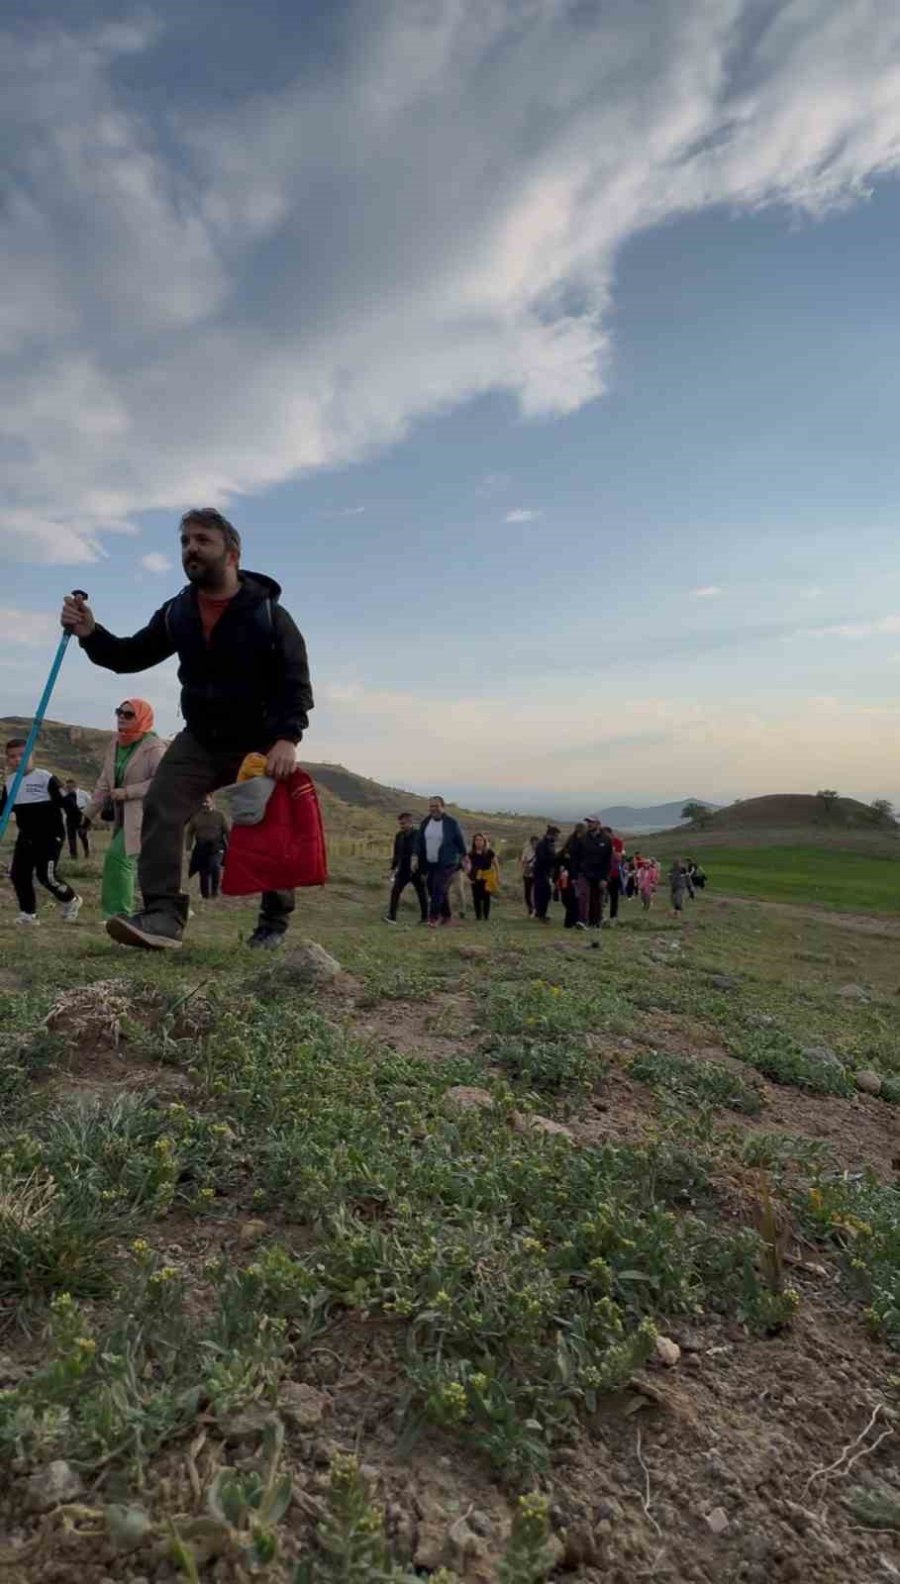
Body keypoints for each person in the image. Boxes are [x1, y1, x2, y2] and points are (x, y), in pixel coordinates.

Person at [61, 507, 313, 951]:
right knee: (162, 804)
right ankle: (162, 917)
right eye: (184, 542)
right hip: (200, 738)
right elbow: (129, 655)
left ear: (231, 554)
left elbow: (295, 681)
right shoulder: (178, 611)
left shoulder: (269, 614)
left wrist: (287, 738)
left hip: (257, 740)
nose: (190, 549)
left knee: (265, 824)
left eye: (202, 540)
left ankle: (273, 922)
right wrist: (90, 632)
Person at [81, 701, 166, 920]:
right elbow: (103, 782)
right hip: (122, 815)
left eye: (129, 714)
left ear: (142, 718)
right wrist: (87, 815)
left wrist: (128, 792)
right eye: (119, 712)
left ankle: (119, 914)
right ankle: (164, 907)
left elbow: (162, 781)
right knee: (142, 863)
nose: (122, 717)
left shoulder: (153, 746)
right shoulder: (115, 743)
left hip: (145, 813)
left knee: (119, 858)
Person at [1, 739, 83, 925]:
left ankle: (72, 900)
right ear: (7, 759)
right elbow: (4, 808)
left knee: (46, 876)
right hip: (26, 836)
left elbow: (67, 802)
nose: (17, 760)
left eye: (22, 755)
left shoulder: (45, 777)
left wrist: (78, 820)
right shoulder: (10, 782)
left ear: (32, 756)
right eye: (12, 756)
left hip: (50, 835)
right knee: (18, 874)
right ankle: (28, 914)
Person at [416, 796, 466, 927]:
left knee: (438, 888)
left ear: (442, 807)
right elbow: (419, 841)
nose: (433, 809)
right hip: (431, 862)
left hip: (447, 862)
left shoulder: (451, 823)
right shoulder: (425, 822)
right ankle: (447, 916)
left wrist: (465, 857)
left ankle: (433, 918)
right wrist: (415, 857)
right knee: (433, 888)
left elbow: (459, 841)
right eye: (431, 806)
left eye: (436, 806)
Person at [385, 811, 428, 923]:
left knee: (421, 893)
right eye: (400, 824)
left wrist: (424, 871)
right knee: (395, 891)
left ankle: (425, 917)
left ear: (410, 822)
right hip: (403, 869)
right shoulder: (399, 836)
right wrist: (393, 868)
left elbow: (423, 853)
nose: (402, 826)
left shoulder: (418, 834)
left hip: (417, 870)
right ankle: (392, 916)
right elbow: (396, 854)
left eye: (403, 823)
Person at [186, 794, 230, 901]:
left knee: (215, 866)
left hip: (217, 847)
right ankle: (205, 895)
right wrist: (188, 848)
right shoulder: (196, 816)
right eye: (202, 802)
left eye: (206, 801)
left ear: (212, 801)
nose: (204, 804)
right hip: (201, 848)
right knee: (203, 872)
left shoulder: (219, 815)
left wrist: (232, 846)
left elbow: (226, 831)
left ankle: (214, 892)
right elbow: (189, 832)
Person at [577, 816, 613, 930]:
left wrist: (605, 878)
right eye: (588, 822)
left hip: (599, 874)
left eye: (591, 822)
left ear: (598, 824)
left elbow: (608, 861)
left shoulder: (606, 840)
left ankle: (596, 922)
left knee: (596, 899)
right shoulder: (583, 839)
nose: (589, 824)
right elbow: (577, 857)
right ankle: (582, 921)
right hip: (584, 873)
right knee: (583, 895)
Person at [557, 824, 585, 929]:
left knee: (571, 899)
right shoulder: (574, 843)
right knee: (571, 899)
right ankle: (572, 921)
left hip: (569, 874)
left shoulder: (572, 843)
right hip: (570, 874)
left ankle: (571, 921)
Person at [532, 824, 560, 922]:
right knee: (542, 894)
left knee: (546, 894)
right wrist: (554, 858)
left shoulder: (550, 844)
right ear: (551, 835)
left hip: (547, 872)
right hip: (540, 872)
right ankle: (540, 914)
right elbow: (541, 859)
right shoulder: (542, 844)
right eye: (556, 836)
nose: (557, 838)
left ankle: (542, 913)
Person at [468, 832, 499, 921]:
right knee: (476, 897)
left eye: (480, 840)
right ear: (474, 842)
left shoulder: (489, 852)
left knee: (486, 897)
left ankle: (486, 916)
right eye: (476, 840)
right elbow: (467, 866)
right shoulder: (471, 854)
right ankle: (478, 916)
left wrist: (497, 875)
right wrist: (469, 877)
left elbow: (496, 864)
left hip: (487, 877)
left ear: (484, 841)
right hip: (475, 877)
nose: (478, 842)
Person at [61, 779, 91, 859]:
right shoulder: (65, 795)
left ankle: (87, 852)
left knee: (82, 835)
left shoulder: (83, 793)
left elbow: (91, 804)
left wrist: (86, 816)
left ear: (74, 786)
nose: (67, 788)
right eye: (67, 787)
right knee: (71, 837)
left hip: (81, 816)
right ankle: (73, 855)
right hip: (70, 817)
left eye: (69, 787)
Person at [519, 836, 538, 916]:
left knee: (536, 892)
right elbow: (523, 861)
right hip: (527, 874)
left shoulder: (540, 850)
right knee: (527, 892)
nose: (535, 845)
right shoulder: (527, 850)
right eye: (533, 843)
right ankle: (530, 908)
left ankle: (536, 908)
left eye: (536, 843)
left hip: (536, 874)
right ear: (531, 843)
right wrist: (523, 869)